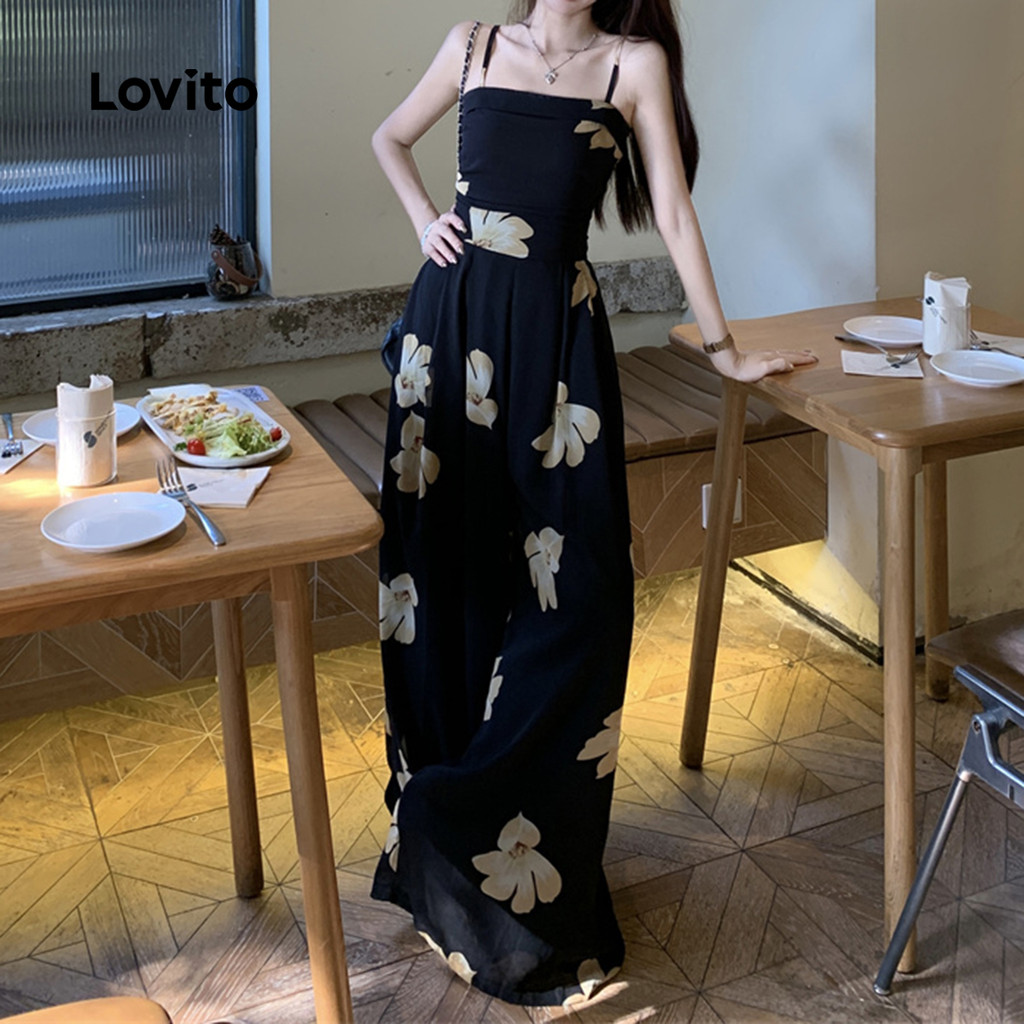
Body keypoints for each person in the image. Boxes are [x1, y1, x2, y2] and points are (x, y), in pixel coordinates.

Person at [370, 0, 817, 1006]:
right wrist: (425, 219)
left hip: (556, 353)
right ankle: (441, 845)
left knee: (582, 598)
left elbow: (674, 212)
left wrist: (724, 350)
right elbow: (388, 137)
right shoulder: (473, 46)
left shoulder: (632, 65)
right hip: (447, 335)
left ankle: (494, 832)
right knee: (441, 586)